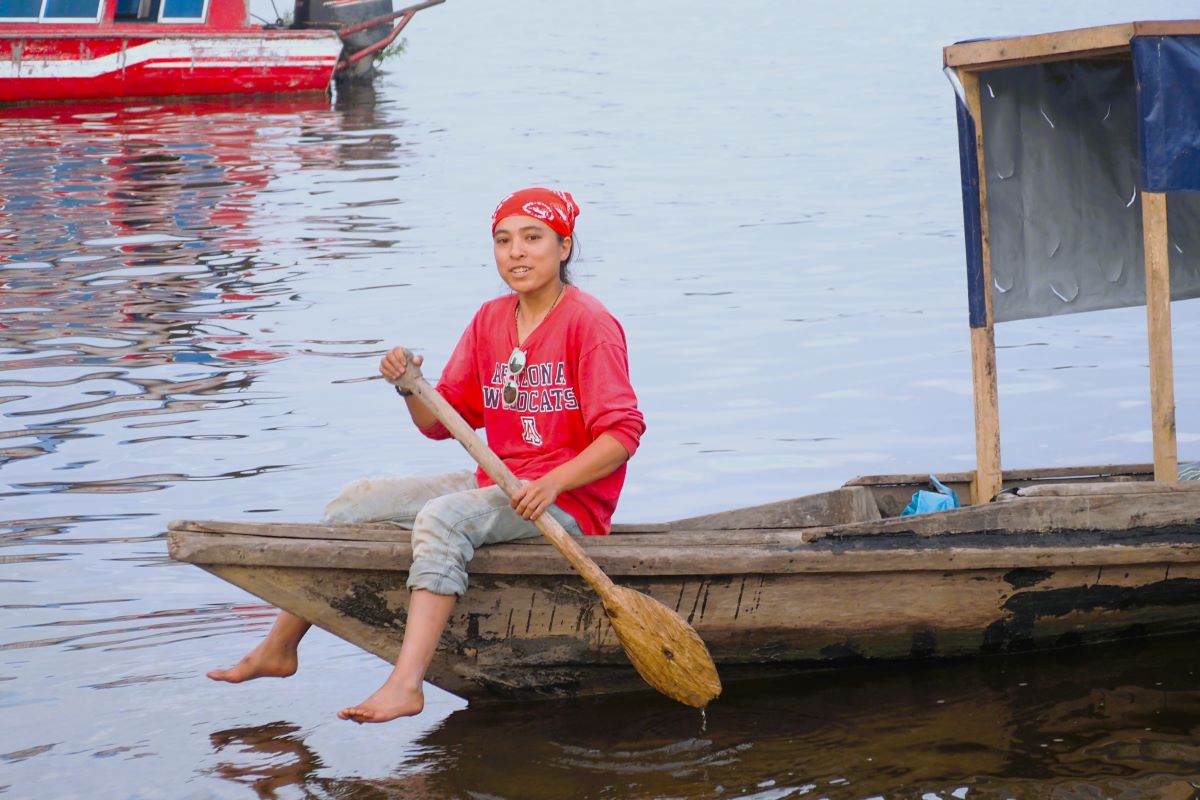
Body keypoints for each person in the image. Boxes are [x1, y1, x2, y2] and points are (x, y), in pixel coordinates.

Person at [207, 187, 646, 723]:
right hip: (501, 481)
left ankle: (406, 684)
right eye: (504, 241)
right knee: (352, 503)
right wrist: (410, 386)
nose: (517, 253)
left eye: (533, 239)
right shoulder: (490, 320)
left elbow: (622, 434)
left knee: (443, 519)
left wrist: (553, 484)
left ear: (564, 246)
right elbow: (440, 423)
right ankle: (280, 647)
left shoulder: (588, 322)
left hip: (567, 501)